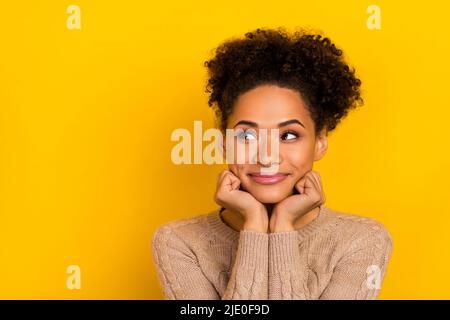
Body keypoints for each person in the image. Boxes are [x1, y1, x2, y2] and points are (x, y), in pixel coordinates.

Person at [151, 27, 393, 300]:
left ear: (320, 141)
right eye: (247, 135)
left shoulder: (362, 241)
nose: (266, 157)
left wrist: (282, 226)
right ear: (223, 143)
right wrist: (254, 225)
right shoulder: (180, 243)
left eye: (288, 135)